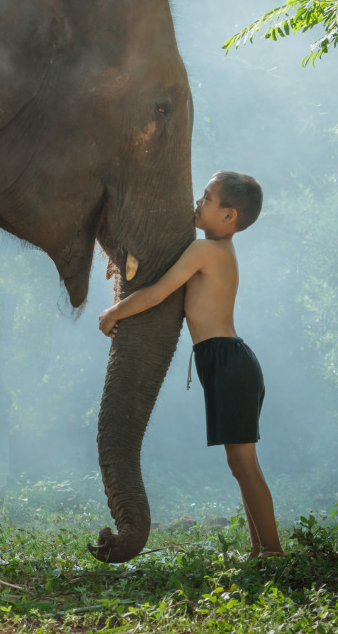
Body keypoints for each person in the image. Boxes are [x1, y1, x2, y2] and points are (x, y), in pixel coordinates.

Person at [98, 171, 282, 558]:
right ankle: (260, 549)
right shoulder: (218, 250)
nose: (198, 203)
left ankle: (274, 551)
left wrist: (113, 312)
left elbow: (156, 292)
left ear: (229, 216)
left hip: (228, 363)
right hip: (226, 362)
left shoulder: (204, 251)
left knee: (244, 464)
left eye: (207, 198)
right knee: (239, 463)